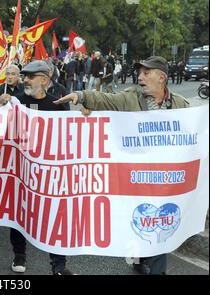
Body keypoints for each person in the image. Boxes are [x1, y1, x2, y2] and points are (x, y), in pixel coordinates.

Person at [54, 56, 189, 275]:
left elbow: (196, 130)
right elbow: (104, 99)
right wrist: (81, 96)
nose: (140, 77)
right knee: (142, 221)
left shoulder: (181, 104)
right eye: (140, 72)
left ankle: (153, 266)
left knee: (158, 228)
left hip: (164, 180)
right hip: (134, 176)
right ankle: (139, 256)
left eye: (146, 73)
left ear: (161, 77)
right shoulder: (130, 98)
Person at [0, 60, 72, 275]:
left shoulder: (57, 104)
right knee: (18, 213)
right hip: (20, 170)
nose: (25, 80)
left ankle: (58, 263)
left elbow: (67, 135)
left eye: (31, 76)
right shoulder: (14, 102)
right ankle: (19, 254)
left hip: (48, 172)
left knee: (55, 215)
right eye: (24, 76)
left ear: (45, 80)